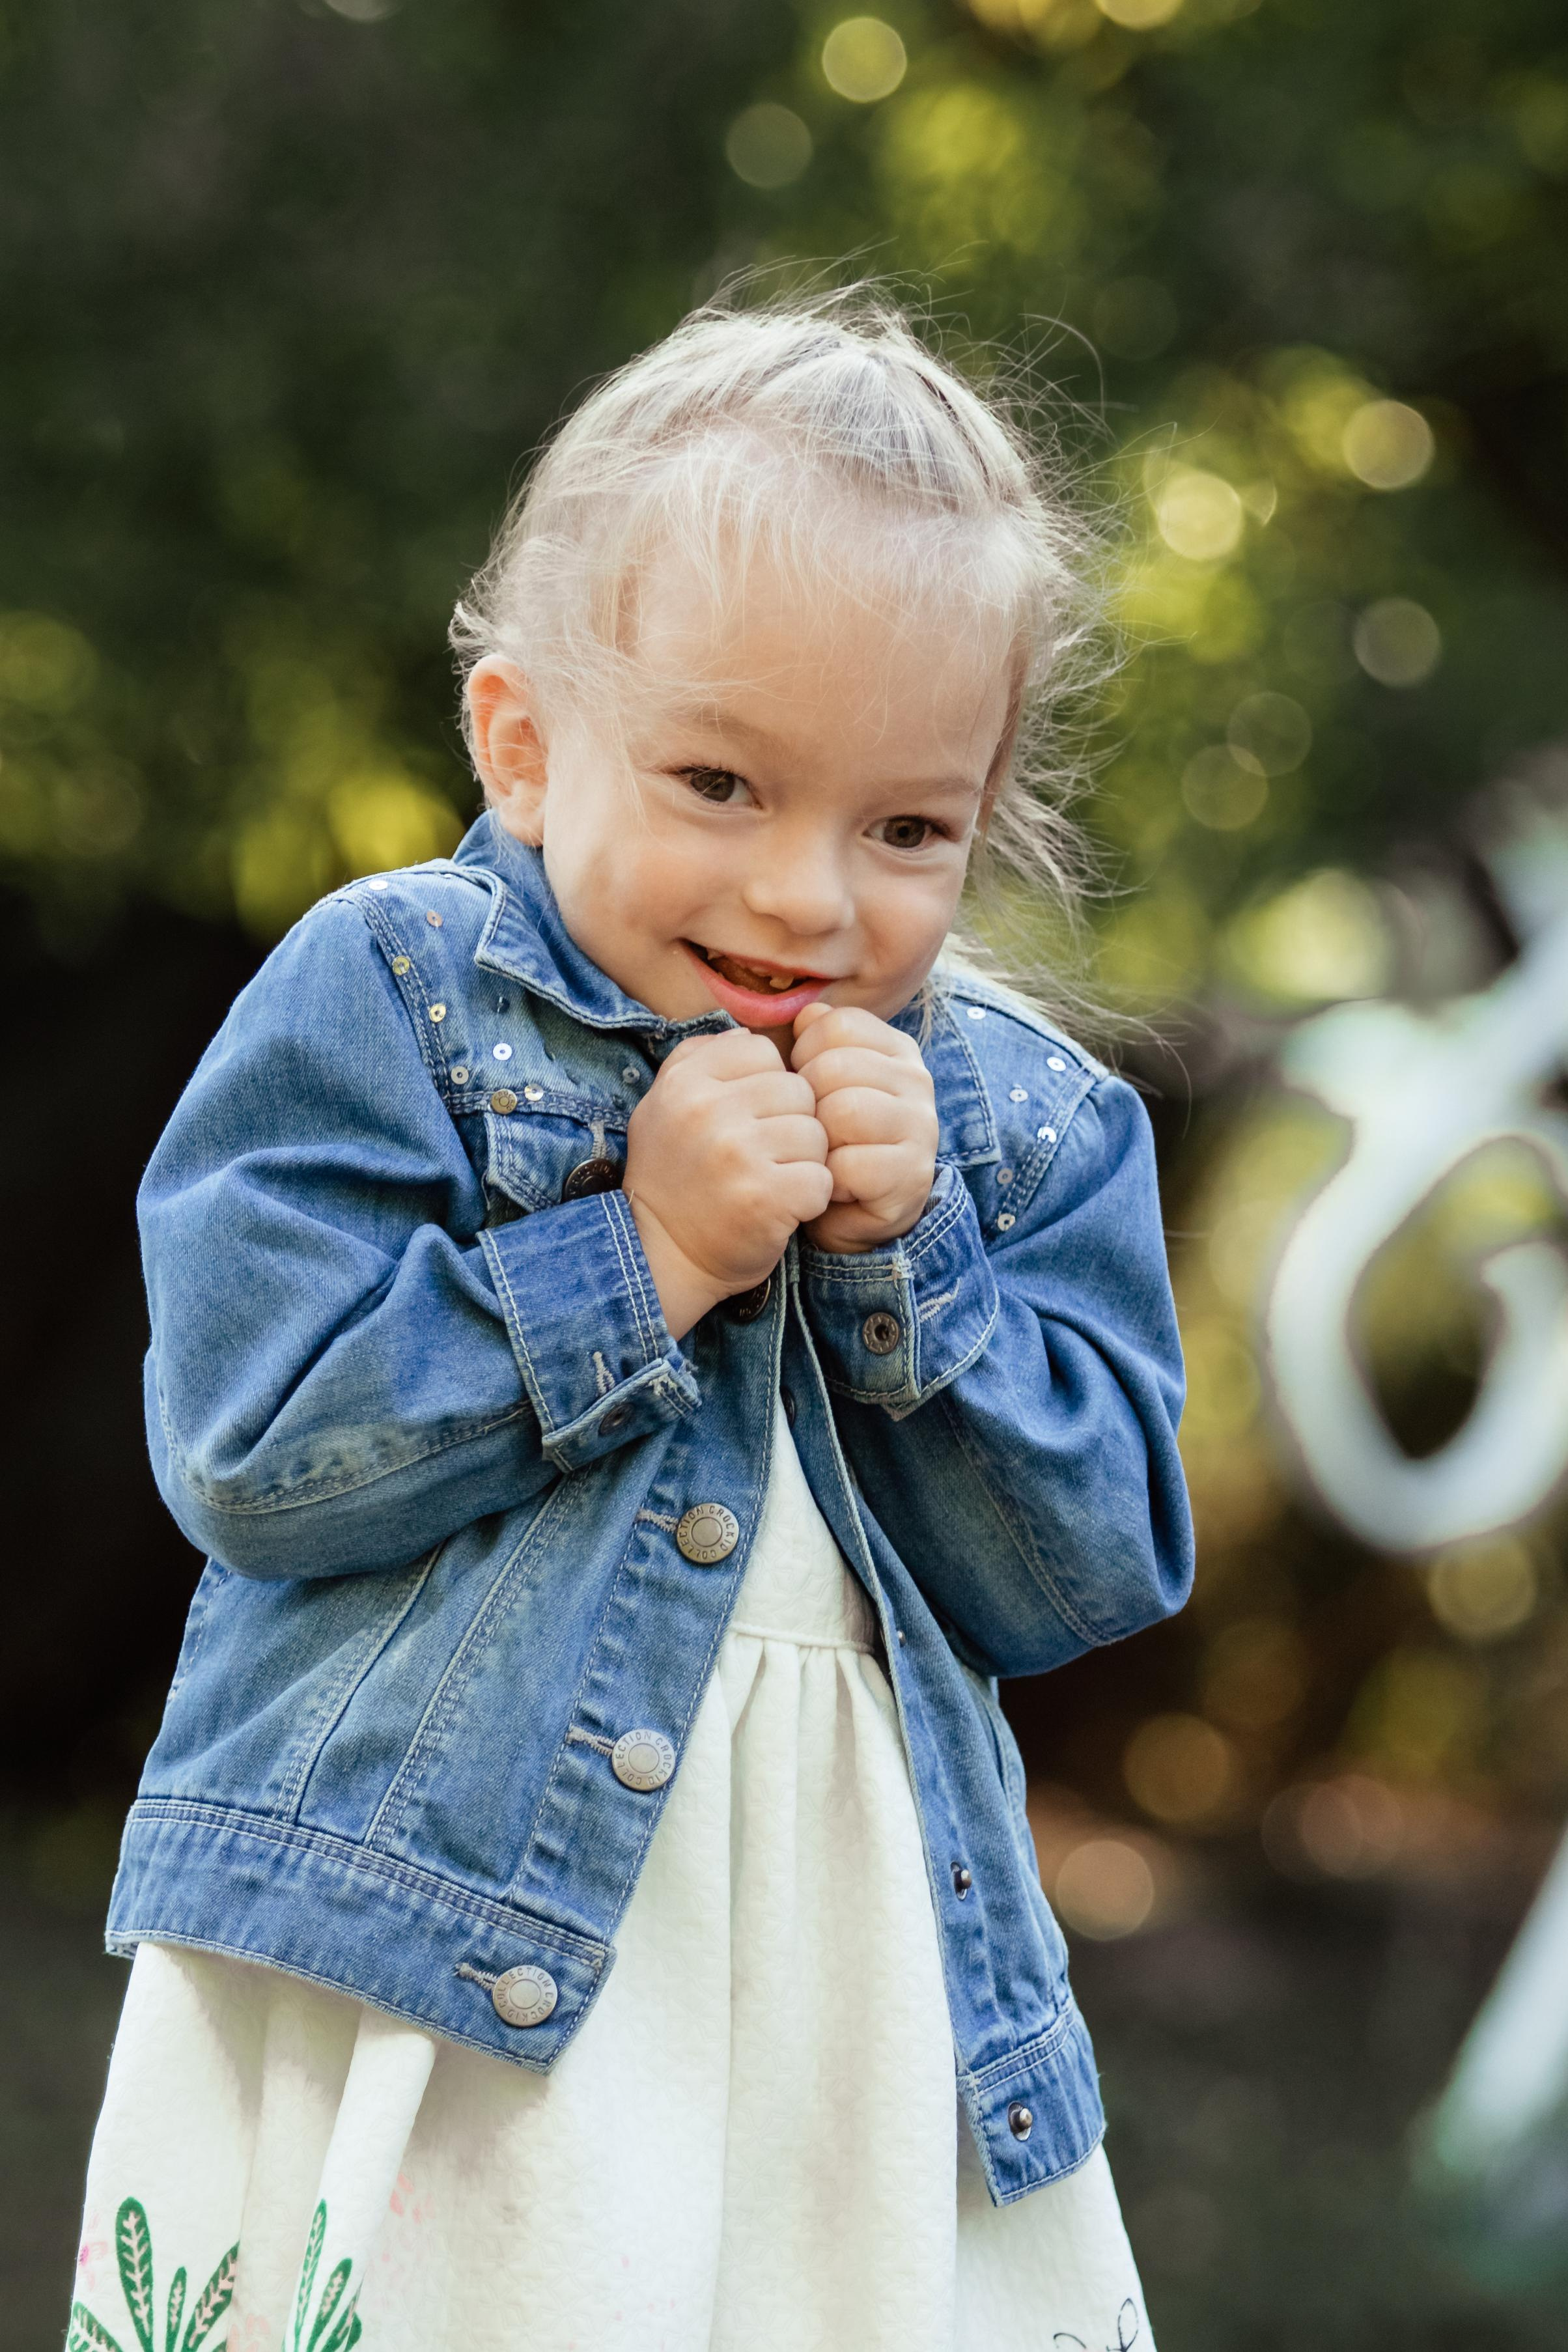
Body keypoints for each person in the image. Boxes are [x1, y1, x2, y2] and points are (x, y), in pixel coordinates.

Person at [68, 294, 1192, 2352]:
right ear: (522, 742)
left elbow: (1093, 1565)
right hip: (444, 1971)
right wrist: (644, 1254)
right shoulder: (396, 993)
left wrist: (906, 1257)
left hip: (851, 1986)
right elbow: (249, 1444)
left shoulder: (1018, 1121)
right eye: (721, 782)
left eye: (905, 826)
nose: (806, 898)